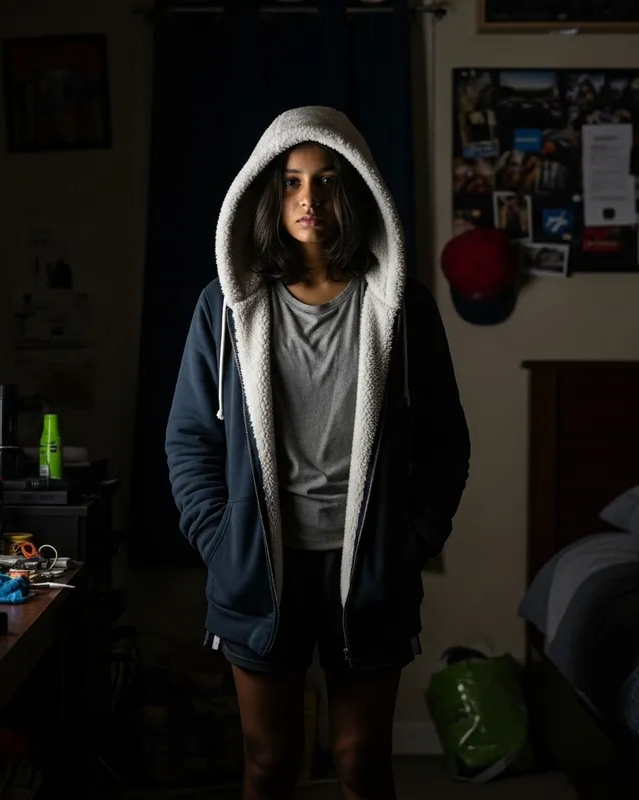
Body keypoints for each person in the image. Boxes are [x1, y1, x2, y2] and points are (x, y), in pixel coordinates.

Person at [165, 106, 470, 800]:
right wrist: (222, 538)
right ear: (269, 193)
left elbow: (447, 442)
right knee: (268, 763)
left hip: (368, 569)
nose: (311, 199)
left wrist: (411, 541)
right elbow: (189, 438)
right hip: (260, 567)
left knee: (360, 761)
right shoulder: (224, 308)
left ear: (354, 191)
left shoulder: (402, 309)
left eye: (328, 181)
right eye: (295, 182)